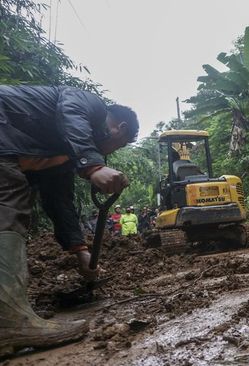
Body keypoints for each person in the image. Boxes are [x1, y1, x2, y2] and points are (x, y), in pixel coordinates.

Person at [0, 85, 137, 355]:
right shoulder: (91, 105)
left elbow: (59, 202)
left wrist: (80, 251)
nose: (110, 151)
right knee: (10, 200)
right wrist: (93, 165)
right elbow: (70, 111)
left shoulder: (58, 155)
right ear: (119, 128)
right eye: (117, 146)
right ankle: (8, 322)